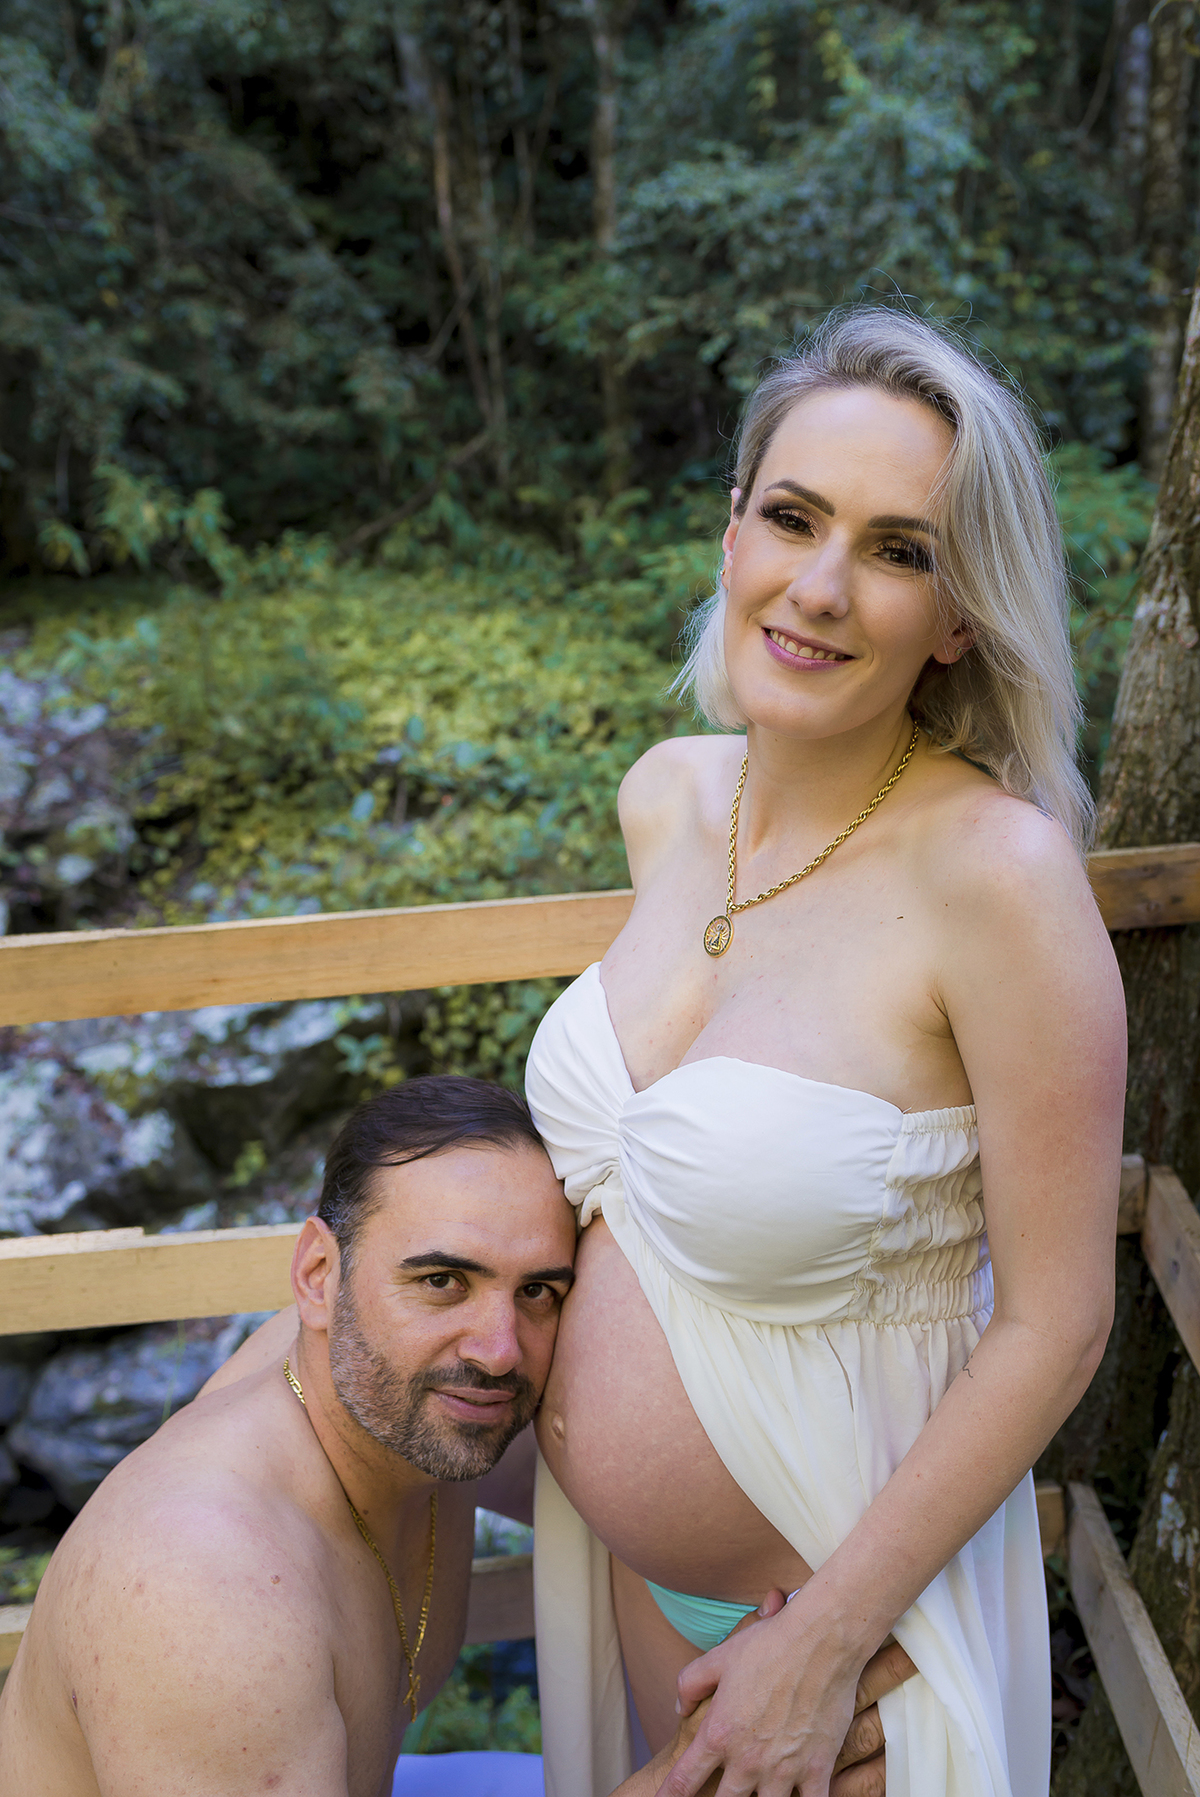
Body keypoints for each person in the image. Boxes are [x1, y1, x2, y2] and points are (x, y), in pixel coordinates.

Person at [524, 308, 1126, 1797]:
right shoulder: (669, 800)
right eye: (793, 518)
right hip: (627, 1583)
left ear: (961, 617)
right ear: (731, 530)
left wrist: (825, 1643)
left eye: (899, 550)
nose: (821, 586)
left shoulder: (998, 878)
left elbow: (1057, 1323)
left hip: (844, 1632)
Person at [0, 1075, 904, 1797]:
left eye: (538, 1290)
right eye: (442, 1280)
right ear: (317, 1276)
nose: (498, 1349)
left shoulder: (384, 1388)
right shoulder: (206, 1588)